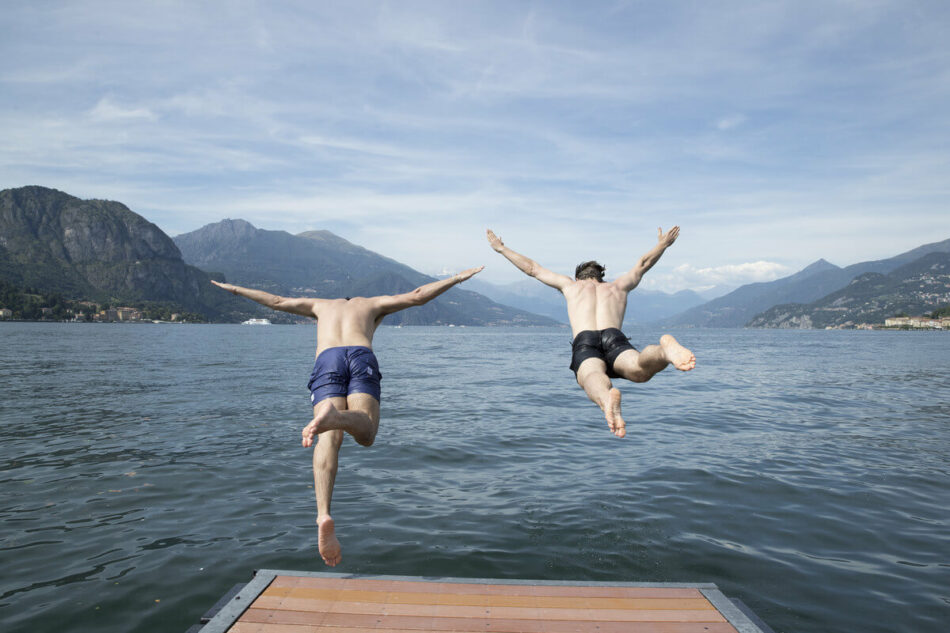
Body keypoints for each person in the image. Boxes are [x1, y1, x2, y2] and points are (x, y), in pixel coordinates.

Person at [211, 266, 483, 566]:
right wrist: (456, 278)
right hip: (359, 354)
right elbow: (418, 297)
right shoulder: (372, 305)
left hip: (327, 359)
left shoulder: (320, 306)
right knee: (366, 435)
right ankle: (339, 418)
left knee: (327, 442)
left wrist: (235, 289)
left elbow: (275, 301)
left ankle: (323, 513)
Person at [486, 227, 694, 438]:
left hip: (585, 342)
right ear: (600, 277)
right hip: (615, 338)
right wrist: (662, 244)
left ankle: (606, 400)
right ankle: (663, 352)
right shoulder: (617, 286)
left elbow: (532, 268)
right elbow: (643, 264)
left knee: (591, 376)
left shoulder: (570, 286)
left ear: (578, 278)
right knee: (640, 369)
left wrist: (501, 249)